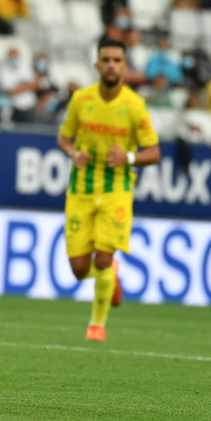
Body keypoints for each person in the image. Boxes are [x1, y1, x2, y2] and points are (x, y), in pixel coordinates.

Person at [56, 38, 159, 342]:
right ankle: (109, 275)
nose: (111, 65)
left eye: (117, 60)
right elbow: (63, 138)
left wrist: (127, 157)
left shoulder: (134, 106)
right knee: (78, 269)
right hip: (81, 188)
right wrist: (74, 153)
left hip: (117, 188)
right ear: (97, 64)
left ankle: (96, 326)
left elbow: (154, 152)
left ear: (125, 66)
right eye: (106, 59)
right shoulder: (81, 99)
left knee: (102, 257)